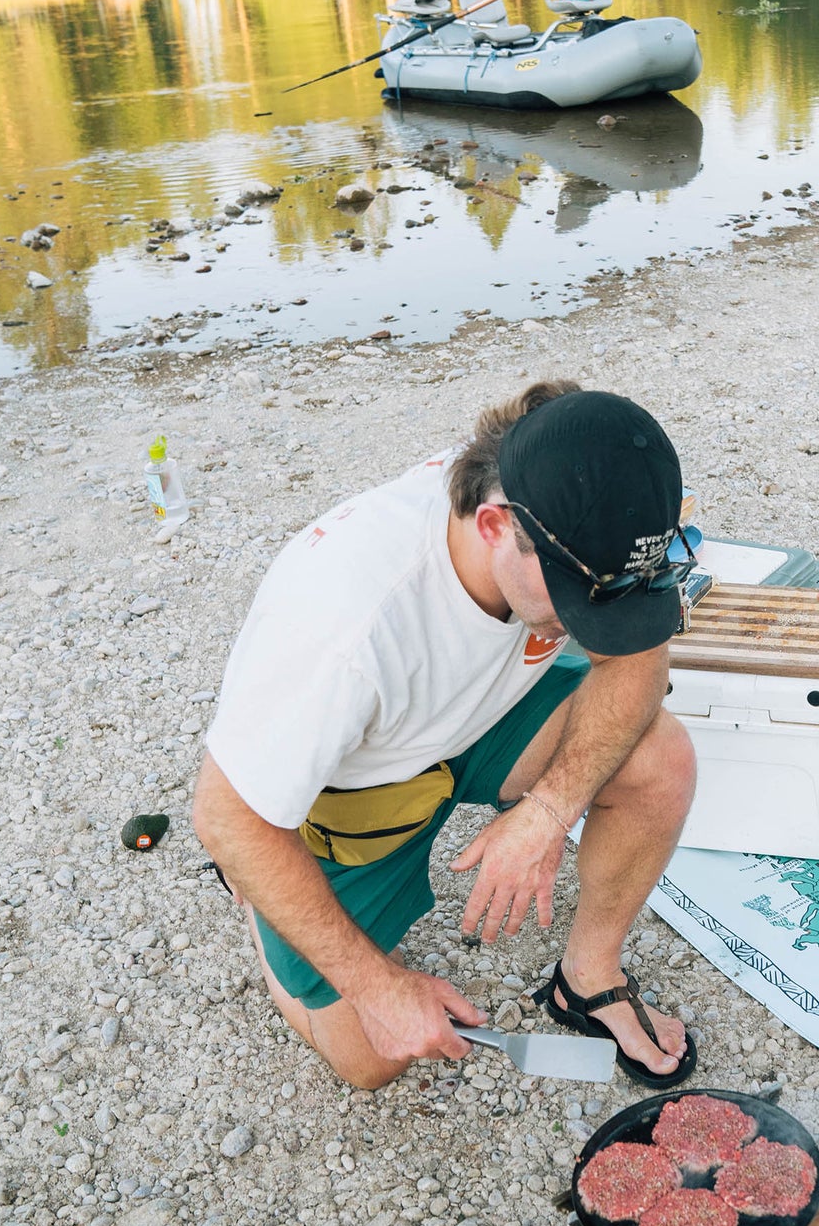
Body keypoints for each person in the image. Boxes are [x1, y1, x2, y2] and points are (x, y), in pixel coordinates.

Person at [192, 381, 699, 1091]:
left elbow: (636, 654)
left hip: (486, 716)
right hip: (360, 784)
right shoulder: (345, 623)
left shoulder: (575, 496)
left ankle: (588, 977)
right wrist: (380, 987)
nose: (598, 621)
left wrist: (550, 810)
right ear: (494, 527)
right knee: (372, 1060)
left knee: (659, 760)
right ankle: (259, 910)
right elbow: (223, 815)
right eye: (583, 598)